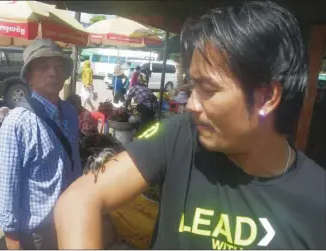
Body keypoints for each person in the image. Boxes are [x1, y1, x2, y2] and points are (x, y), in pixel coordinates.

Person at [53, 1, 326, 250]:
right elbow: (79, 198)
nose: (192, 104)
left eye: (208, 89)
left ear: (267, 97)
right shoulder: (182, 136)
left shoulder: (317, 202)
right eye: (193, 85)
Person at [0, 38, 82, 250]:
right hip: (36, 235)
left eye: (59, 66)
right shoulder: (17, 122)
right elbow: (6, 189)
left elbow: (74, 164)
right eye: (43, 67)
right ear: (29, 78)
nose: (53, 73)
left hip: (69, 220)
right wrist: (12, 241)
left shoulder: (69, 113)